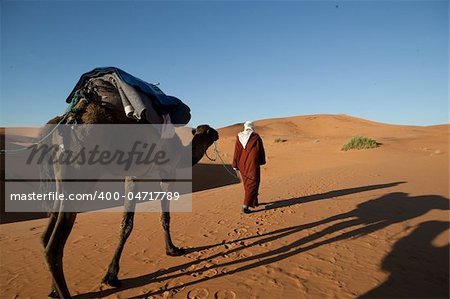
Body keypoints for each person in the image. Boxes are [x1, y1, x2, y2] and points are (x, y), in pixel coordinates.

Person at [232, 121, 266, 213]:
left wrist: (235, 164)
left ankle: (254, 202)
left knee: (248, 183)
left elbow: (237, 151)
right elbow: (260, 149)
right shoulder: (255, 137)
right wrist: (262, 161)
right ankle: (245, 205)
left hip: (242, 164)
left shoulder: (239, 137)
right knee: (253, 183)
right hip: (252, 164)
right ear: (251, 127)